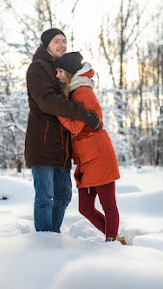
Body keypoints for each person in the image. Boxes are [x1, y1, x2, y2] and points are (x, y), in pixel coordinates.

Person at [25, 28, 102, 233]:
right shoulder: (37, 68)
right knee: (45, 197)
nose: (62, 45)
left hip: (62, 148)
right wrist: (83, 113)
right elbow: (48, 102)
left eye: (64, 41)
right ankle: (44, 241)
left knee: (64, 196)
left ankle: (52, 234)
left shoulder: (62, 69)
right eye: (57, 41)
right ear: (46, 44)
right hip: (42, 145)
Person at [56, 52, 126, 244]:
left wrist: (57, 110)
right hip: (87, 159)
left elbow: (76, 126)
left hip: (98, 155)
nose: (58, 76)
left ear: (69, 73)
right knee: (85, 208)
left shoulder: (82, 92)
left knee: (108, 205)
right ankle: (115, 238)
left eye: (60, 71)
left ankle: (112, 243)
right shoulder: (74, 92)